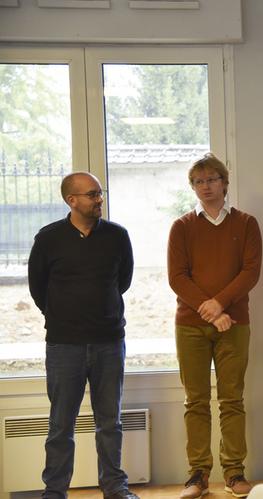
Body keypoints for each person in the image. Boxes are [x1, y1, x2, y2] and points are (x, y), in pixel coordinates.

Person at [28, 172, 137, 499]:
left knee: (110, 424)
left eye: (100, 193)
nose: (98, 199)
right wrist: (63, 315)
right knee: (61, 425)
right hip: (64, 346)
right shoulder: (48, 239)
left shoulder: (117, 236)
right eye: (91, 195)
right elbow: (38, 289)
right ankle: (55, 491)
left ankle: (115, 489)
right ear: (71, 200)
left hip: (109, 342)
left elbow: (123, 282)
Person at [167, 153, 262, 499]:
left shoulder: (246, 224)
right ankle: (198, 475)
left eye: (211, 180)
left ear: (224, 183)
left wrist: (220, 305)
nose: (206, 187)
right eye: (198, 182)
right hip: (190, 327)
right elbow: (177, 277)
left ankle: (235, 472)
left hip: (234, 324)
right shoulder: (181, 227)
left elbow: (250, 272)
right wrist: (211, 312)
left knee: (232, 399)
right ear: (193, 188)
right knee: (195, 401)